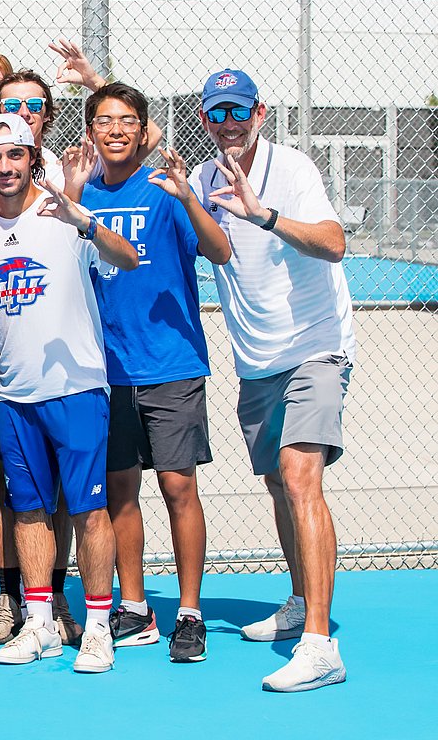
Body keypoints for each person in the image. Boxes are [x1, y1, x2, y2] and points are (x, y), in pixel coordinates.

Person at [190, 68, 354, 693]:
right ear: (206, 119)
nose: (228, 123)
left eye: (238, 111)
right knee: (277, 485)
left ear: (259, 112)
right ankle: (298, 598)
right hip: (257, 359)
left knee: (299, 476)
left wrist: (265, 216)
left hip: (317, 347)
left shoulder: (293, 169)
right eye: (217, 114)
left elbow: (334, 244)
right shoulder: (204, 179)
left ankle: (320, 643)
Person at [0, 114, 139, 674]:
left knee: (89, 510)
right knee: (28, 510)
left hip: (78, 389)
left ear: (31, 156)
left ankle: (96, 628)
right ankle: (39, 623)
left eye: (14, 156)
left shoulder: (64, 212)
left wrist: (83, 220)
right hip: (15, 394)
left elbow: (127, 258)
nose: (4, 168)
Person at [70, 83, 231, 663]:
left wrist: (190, 200)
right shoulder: (80, 194)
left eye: (128, 121)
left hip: (169, 362)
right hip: (105, 370)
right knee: (120, 491)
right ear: (90, 130)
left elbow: (220, 252)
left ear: (143, 130)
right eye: (105, 120)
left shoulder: (165, 191)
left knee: (177, 485)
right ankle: (134, 608)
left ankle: (189, 612)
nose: (116, 130)